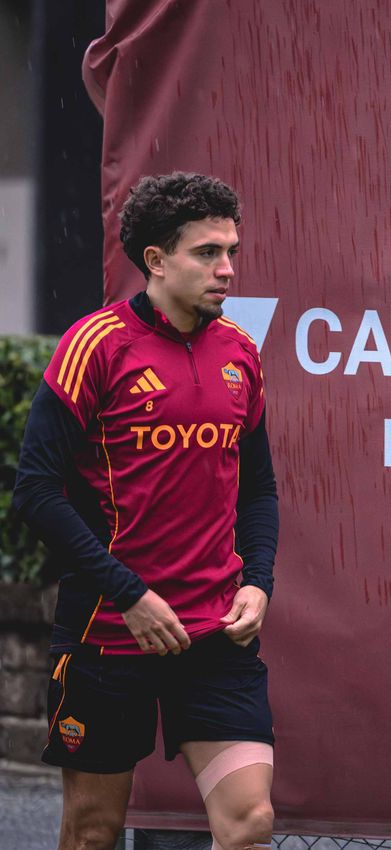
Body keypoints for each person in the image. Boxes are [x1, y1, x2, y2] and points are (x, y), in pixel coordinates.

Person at [13, 172, 279, 850]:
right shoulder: (94, 345)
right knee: (93, 831)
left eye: (232, 251)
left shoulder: (240, 353)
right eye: (207, 253)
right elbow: (36, 491)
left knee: (248, 822)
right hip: (110, 630)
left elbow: (258, 491)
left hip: (215, 632)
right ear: (156, 261)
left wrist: (258, 582)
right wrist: (128, 593)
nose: (226, 269)